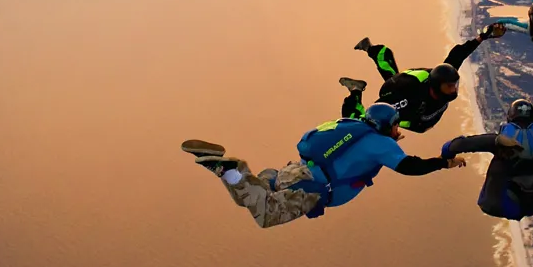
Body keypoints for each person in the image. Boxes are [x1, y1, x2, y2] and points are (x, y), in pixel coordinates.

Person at [181, 103, 465, 229]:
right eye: (395, 126)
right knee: (266, 215)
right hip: (312, 188)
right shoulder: (381, 144)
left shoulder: (354, 125)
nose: (397, 130)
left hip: (295, 171)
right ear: (387, 127)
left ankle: (228, 171)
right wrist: (444, 163)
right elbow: (409, 167)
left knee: (250, 198)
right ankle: (230, 169)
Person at [342, 22, 506, 132]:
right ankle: (356, 91)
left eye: (454, 85)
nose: (453, 89)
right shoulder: (408, 101)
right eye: (449, 86)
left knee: (417, 125)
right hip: (400, 91)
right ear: (435, 86)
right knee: (367, 125)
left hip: (416, 106)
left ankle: (373, 49)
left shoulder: (445, 75)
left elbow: (459, 54)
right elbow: (376, 112)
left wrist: (483, 36)